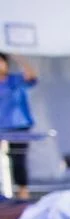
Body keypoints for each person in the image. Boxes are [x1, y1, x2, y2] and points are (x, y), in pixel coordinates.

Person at [0, 52, 38, 201]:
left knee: (18, 160)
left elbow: (31, 77)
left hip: (18, 126)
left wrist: (18, 56)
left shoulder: (15, 80)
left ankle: (22, 191)